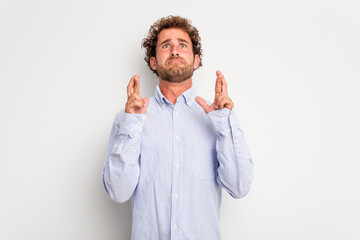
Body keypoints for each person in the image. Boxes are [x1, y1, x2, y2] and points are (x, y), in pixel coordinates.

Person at [102, 15, 254, 240]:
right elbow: (118, 191)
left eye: (182, 45)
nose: (174, 51)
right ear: (153, 62)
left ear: (195, 60)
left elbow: (239, 187)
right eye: (166, 46)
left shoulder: (217, 117)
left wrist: (224, 123)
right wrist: (131, 124)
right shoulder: (130, 118)